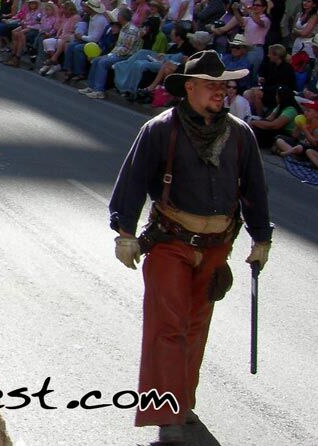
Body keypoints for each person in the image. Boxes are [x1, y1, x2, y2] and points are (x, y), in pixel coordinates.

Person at [108, 50, 272, 446]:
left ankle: (181, 400)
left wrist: (261, 238)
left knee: (195, 328)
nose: (221, 92)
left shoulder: (240, 134)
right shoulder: (160, 129)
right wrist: (125, 232)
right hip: (170, 242)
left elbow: (254, 191)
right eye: (213, 85)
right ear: (190, 87)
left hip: (217, 247)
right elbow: (131, 182)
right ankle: (167, 413)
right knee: (168, 328)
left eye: (224, 85)